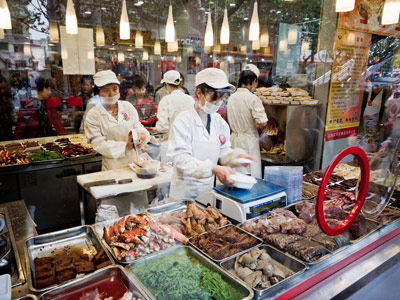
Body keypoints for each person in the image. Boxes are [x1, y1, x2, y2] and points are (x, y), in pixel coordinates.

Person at [167, 68, 256, 201]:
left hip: (208, 191)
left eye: (222, 96)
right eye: (215, 95)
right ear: (199, 92)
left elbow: (223, 150)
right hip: (184, 193)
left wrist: (236, 156)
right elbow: (181, 159)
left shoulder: (218, 121)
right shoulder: (183, 121)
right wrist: (213, 168)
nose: (218, 102)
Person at [84, 70, 150, 171]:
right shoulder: (93, 115)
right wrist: (125, 146)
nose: (111, 94)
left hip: (134, 164)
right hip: (112, 167)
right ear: (98, 93)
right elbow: (98, 144)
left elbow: (137, 125)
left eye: (114, 89)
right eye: (106, 90)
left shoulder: (127, 107)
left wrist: (142, 135)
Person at [227, 64, 268, 178]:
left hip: (234, 140)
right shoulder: (253, 98)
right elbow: (263, 122)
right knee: (249, 175)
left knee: (235, 175)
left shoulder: (231, 97)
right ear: (254, 80)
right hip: (249, 142)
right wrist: (259, 127)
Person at [155, 70, 195, 162]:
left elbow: (163, 127)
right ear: (180, 83)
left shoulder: (166, 100)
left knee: (169, 174)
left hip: (170, 145)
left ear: (166, 85)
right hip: (188, 145)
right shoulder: (190, 99)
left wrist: (156, 128)